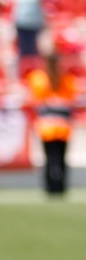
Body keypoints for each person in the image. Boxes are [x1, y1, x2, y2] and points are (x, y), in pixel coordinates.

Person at [24, 32, 83, 195]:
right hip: (54, 126)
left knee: (53, 157)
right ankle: (56, 187)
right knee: (56, 157)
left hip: (53, 126)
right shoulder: (43, 79)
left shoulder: (58, 79)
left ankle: (54, 187)